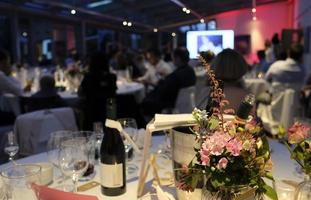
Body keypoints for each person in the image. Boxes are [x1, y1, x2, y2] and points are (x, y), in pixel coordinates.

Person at [141, 47, 196, 116]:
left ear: (178, 58)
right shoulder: (191, 71)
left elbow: (163, 93)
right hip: (185, 103)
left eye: (173, 58)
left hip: (170, 103)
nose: (172, 60)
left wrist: (161, 83)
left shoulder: (175, 75)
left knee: (145, 102)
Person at [78, 51, 117, 130]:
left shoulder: (88, 77)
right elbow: (113, 94)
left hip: (91, 114)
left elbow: (80, 93)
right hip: (109, 114)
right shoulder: (112, 77)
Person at [0, 49, 22, 125]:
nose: (9, 65)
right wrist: (9, 75)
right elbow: (19, 91)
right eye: (8, 62)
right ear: (3, 62)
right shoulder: (0, 76)